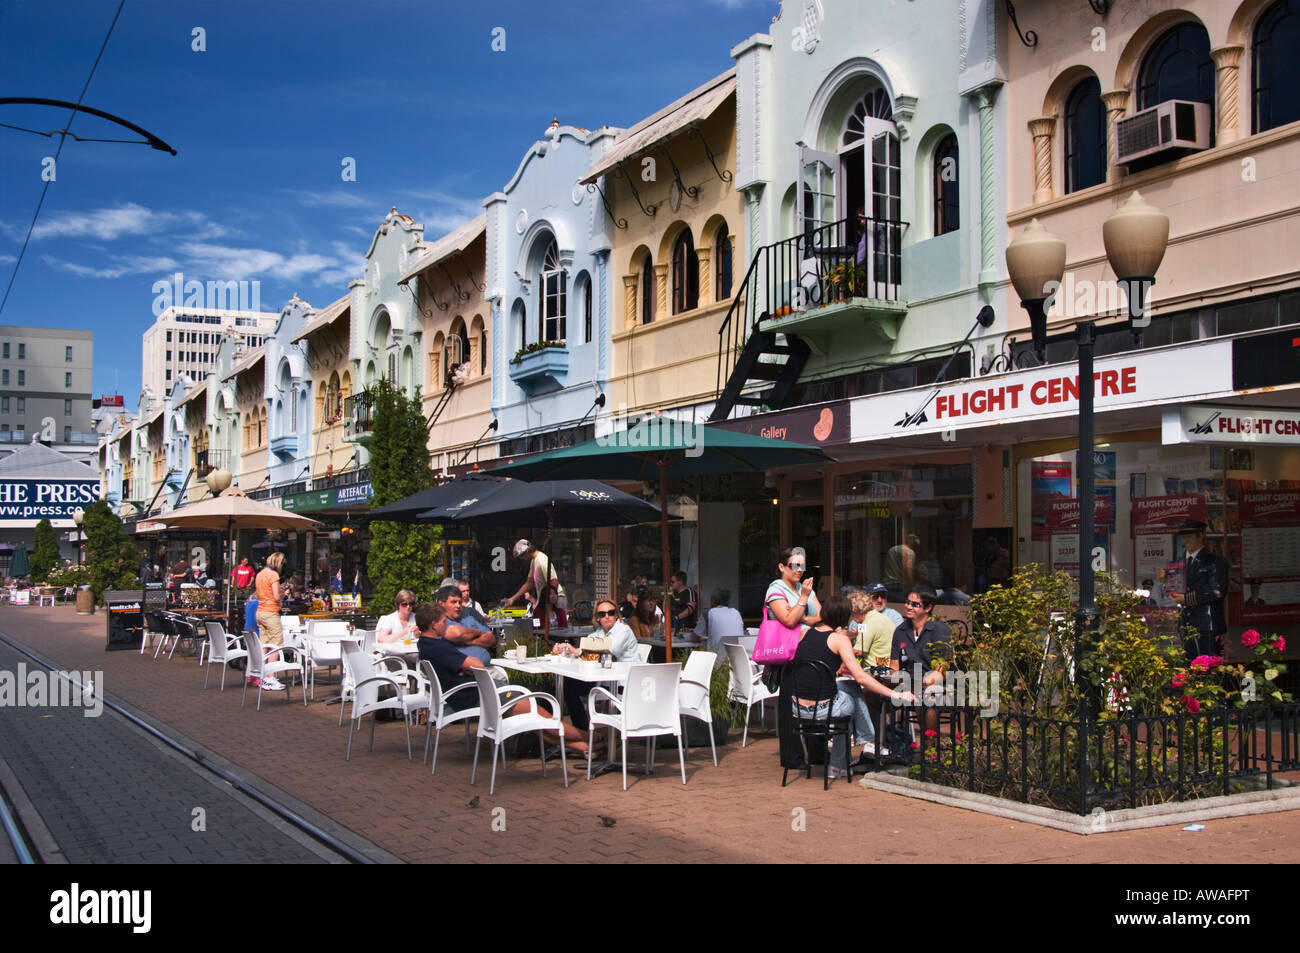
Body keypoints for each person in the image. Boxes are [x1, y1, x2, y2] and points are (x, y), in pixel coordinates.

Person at [415, 602, 587, 755]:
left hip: (470, 693)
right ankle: (592, 737)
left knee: (536, 721)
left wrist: (464, 670)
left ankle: (586, 746)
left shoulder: (424, 645)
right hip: (479, 695)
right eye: (443, 621)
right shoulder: (439, 647)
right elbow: (478, 665)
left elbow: (467, 667)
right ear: (433, 625)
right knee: (538, 712)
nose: (447, 624)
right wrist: (467, 668)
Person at [790, 595, 914, 776]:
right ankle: (859, 749)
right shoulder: (839, 640)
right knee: (853, 695)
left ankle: (867, 742)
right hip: (823, 709)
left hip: (797, 707)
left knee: (848, 690)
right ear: (845, 617)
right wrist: (895, 694)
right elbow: (861, 677)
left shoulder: (805, 633)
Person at [557, 599, 640, 740]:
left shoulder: (623, 630)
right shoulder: (600, 633)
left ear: (616, 615)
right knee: (568, 686)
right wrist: (568, 648)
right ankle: (584, 732)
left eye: (611, 613)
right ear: (598, 618)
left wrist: (578, 651)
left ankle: (585, 735)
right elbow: (584, 647)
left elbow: (609, 652)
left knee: (570, 687)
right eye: (602, 614)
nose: (607, 616)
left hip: (623, 684)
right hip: (605, 681)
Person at [891, 586, 952, 733]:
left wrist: (922, 683)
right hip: (907, 682)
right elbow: (894, 666)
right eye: (907, 602)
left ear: (928, 608)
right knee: (871, 694)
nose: (908, 606)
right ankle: (880, 744)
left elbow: (942, 669)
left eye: (915, 604)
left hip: (936, 684)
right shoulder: (900, 631)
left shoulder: (939, 630)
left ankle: (929, 748)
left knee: (927, 697)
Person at [1167, 519, 1228, 659]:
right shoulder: (1180, 562)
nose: (1185, 541)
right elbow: (1177, 586)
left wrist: (1187, 598)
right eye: (1184, 537)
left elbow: (1217, 590)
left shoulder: (1213, 561)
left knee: (1208, 667)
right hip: (1187, 622)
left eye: (1189, 537)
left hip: (1207, 623)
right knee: (1191, 667)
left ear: (1200, 536)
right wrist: (1166, 579)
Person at [501, 539, 567, 628]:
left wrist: (550, 600)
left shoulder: (541, 560)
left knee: (557, 629)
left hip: (555, 600)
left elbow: (554, 581)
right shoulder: (534, 561)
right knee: (542, 627)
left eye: (521, 556)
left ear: (527, 551)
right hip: (545, 600)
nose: (522, 559)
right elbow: (529, 583)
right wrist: (512, 599)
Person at [252, 552, 287, 691]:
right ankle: (270, 677)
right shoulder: (274, 575)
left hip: (260, 611)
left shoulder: (260, 574)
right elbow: (276, 596)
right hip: (271, 611)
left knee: (264, 644)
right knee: (276, 645)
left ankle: (262, 674)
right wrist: (282, 594)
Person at [439, 584, 496, 663]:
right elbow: (457, 633)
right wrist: (477, 632)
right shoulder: (439, 621)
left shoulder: (468, 618)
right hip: (462, 671)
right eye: (453, 602)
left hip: (485, 669)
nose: (458, 606)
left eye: (460, 602)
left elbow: (491, 639)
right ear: (441, 604)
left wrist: (469, 641)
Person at [766, 546, 820, 629]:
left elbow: (823, 616)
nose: (799, 570)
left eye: (802, 566)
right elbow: (789, 621)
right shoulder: (775, 590)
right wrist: (804, 596)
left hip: (811, 636)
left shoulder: (805, 588)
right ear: (781, 567)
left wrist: (804, 619)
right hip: (789, 640)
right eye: (794, 565)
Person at [849, 588, 893, 666]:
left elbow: (859, 652)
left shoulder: (868, 623)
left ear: (855, 611)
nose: (851, 618)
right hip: (887, 663)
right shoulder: (881, 617)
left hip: (876, 669)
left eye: (851, 614)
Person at [697, 587, 745, 653]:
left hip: (716, 658)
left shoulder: (707, 613)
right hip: (737, 656)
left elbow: (695, 637)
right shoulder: (736, 613)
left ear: (713, 601)